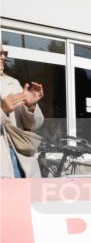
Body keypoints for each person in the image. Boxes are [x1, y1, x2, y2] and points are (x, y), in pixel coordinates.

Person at [0, 45, 46, 178]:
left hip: (22, 159)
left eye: (4, 53)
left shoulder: (12, 83)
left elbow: (34, 124)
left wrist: (31, 107)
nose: (3, 57)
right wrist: (2, 110)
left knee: (28, 197)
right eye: (0, 53)